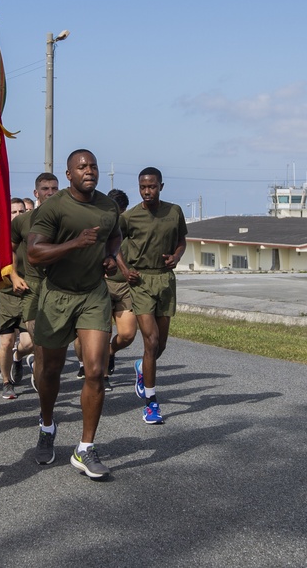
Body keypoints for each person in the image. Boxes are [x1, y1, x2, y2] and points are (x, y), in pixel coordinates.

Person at [26, 150, 121, 479]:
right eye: (82, 167)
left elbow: (115, 235)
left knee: (96, 370)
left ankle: (85, 448)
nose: (90, 171)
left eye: (93, 166)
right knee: (50, 371)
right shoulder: (55, 207)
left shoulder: (108, 206)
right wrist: (75, 244)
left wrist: (110, 257)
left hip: (94, 294)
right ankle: (47, 424)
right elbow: (34, 253)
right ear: (69, 174)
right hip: (57, 295)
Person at [116, 167, 187, 425]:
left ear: (161, 186)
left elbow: (182, 240)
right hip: (141, 281)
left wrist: (177, 256)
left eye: (152, 186)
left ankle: (141, 369)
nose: (148, 191)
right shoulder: (130, 216)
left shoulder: (174, 211)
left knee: (160, 346)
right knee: (151, 340)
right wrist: (125, 270)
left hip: (165, 280)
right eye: (143, 187)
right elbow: (113, 243)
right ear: (139, 188)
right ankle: (151, 402)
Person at [9, 172, 59, 391]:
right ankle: (22, 358)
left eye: (54, 189)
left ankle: (33, 363)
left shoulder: (65, 218)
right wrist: (13, 275)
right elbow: (8, 250)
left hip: (59, 286)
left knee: (51, 344)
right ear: (36, 193)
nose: (49, 193)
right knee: (37, 341)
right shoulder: (22, 221)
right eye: (45, 189)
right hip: (32, 286)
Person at [0, 198, 33, 399]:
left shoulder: (32, 233)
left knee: (29, 342)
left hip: (29, 292)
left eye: (22, 211)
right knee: (6, 341)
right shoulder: (0, 236)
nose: (18, 216)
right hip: (5, 294)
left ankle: (18, 357)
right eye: (13, 212)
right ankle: (6, 381)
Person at [102, 188, 138, 390]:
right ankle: (103, 375)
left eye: (121, 211)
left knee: (127, 334)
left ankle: (110, 352)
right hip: (103, 284)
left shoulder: (128, 224)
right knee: (103, 332)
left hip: (126, 287)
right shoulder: (101, 223)